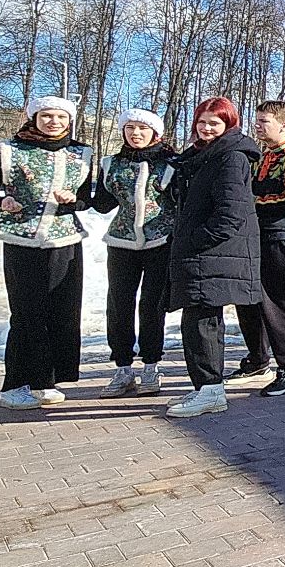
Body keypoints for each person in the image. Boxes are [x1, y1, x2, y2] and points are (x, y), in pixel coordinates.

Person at [0, 96, 95, 410]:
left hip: (64, 239)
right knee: (26, 312)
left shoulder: (81, 153)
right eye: (46, 116)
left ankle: (45, 380)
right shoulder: (9, 149)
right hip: (21, 239)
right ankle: (14, 384)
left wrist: (72, 200)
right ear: (34, 118)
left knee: (62, 309)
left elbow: (85, 200)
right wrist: (3, 201)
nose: (53, 122)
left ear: (69, 120)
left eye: (61, 117)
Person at [160, 97, 262, 418]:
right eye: (202, 122)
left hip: (212, 253)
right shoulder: (199, 156)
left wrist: (195, 240)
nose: (206, 128)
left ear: (228, 125)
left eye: (214, 123)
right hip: (201, 252)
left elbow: (231, 213)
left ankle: (211, 390)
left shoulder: (231, 157)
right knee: (197, 319)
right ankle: (207, 387)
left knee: (203, 322)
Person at [227, 99, 285, 396]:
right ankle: (257, 359)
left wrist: (254, 201)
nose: (258, 126)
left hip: (283, 235)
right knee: (249, 298)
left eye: (264, 121)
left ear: (284, 125)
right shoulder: (258, 157)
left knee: (283, 302)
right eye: (257, 121)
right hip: (254, 236)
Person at [92, 107, 175, 397]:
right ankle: (123, 367)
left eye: (142, 129)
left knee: (153, 304)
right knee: (119, 303)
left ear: (155, 133)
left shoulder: (170, 164)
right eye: (130, 128)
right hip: (122, 241)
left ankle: (151, 365)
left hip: (159, 241)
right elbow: (102, 204)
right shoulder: (112, 164)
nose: (136, 133)